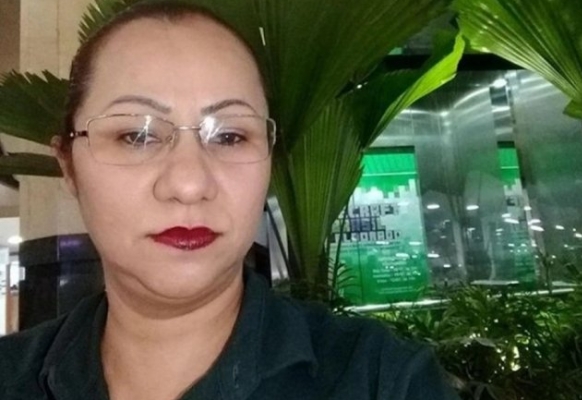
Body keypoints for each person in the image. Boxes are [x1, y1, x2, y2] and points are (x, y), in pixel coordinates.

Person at [0, 2, 459, 399]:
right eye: (137, 135)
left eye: (230, 136)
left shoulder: (382, 379)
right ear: (68, 165)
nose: (189, 183)